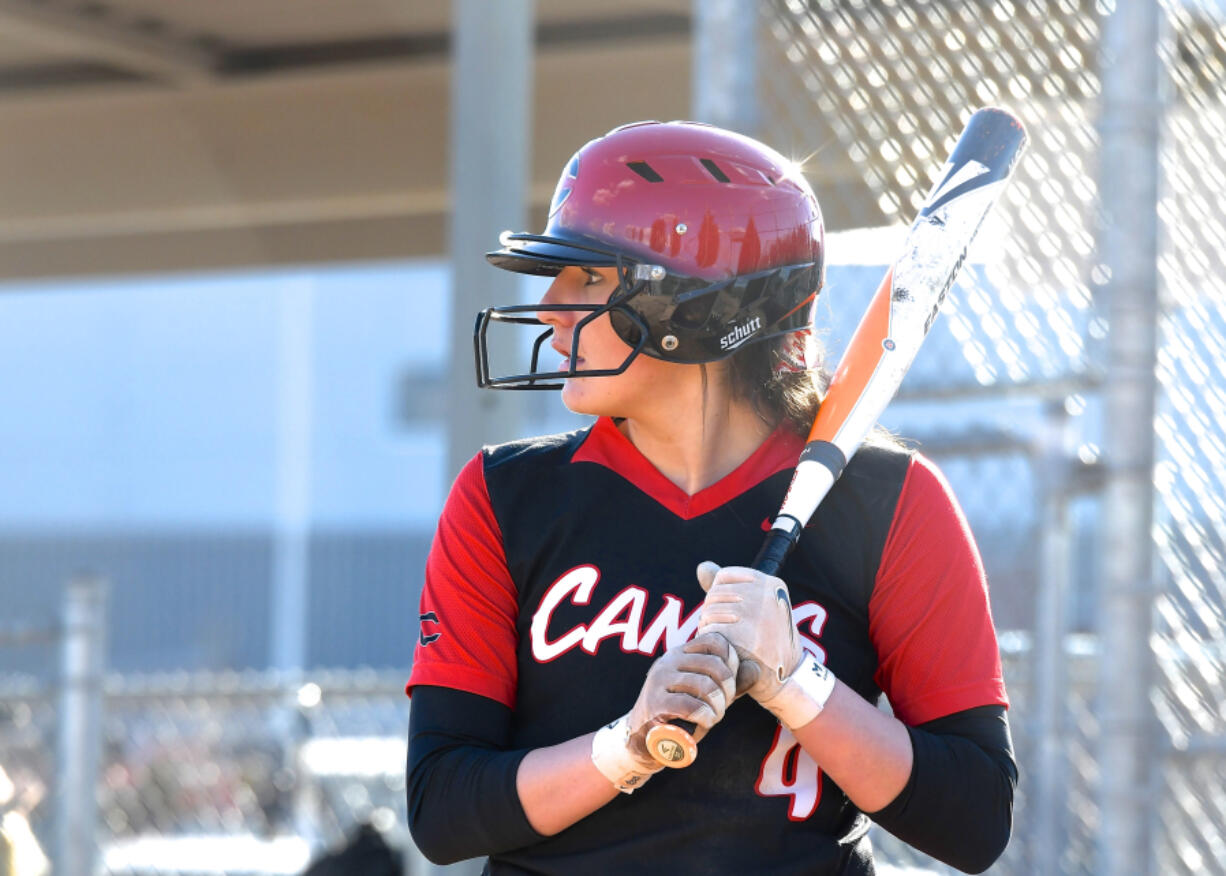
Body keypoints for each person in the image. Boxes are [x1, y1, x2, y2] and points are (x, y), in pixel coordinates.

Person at [406, 120, 1015, 875]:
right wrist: (626, 743)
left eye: (589, 278)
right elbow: (442, 808)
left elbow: (976, 820)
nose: (551, 307)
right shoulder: (505, 497)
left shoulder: (889, 502)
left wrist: (797, 683)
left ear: (697, 309)